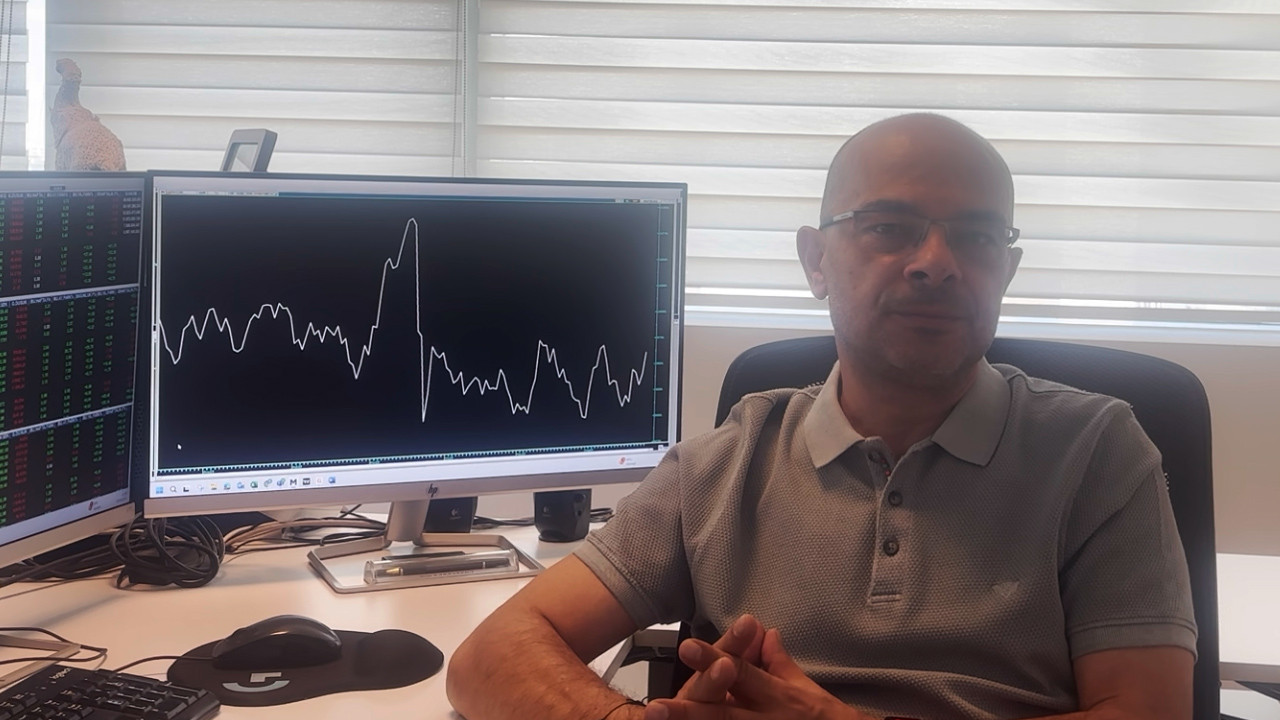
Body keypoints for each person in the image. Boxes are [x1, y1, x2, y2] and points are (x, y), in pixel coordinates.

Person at [445, 113, 1196, 720]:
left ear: (1006, 269)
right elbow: (490, 656)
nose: (937, 261)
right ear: (815, 261)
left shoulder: (1098, 454)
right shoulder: (722, 466)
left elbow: (1150, 713)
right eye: (889, 225)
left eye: (976, 236)